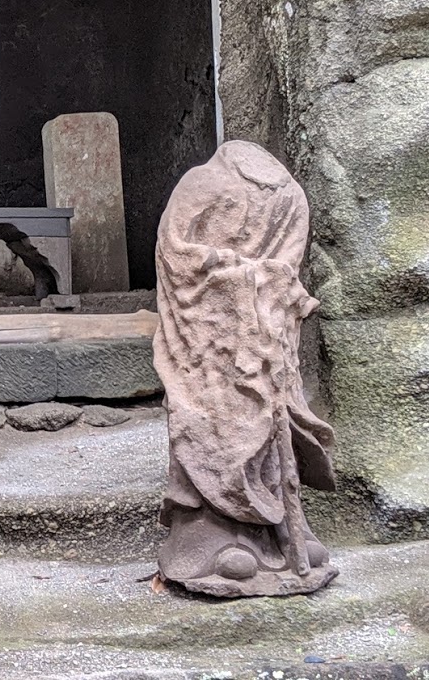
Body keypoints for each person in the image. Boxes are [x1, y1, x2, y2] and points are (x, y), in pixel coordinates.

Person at [153, 141, 337, 596]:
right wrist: (233, 273)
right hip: (207, 334)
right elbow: (175, 252)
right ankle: (210, 531)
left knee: (272, 420)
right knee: (213, 419)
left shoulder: (291, 196)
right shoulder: (204, 182)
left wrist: (266, 287)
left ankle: (282, 528)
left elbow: (288, 267)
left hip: (266, 333)